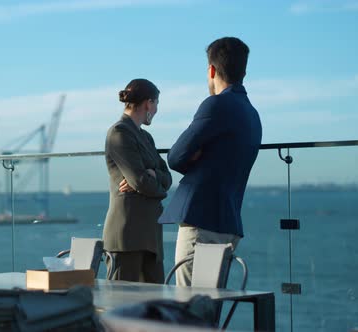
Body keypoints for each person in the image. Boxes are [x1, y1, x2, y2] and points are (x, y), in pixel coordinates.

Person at [159, 37, 262, 286]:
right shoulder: (252, 113)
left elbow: (175, 156)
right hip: (228, 221)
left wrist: (195, 156)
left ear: (212, 69)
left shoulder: (216, 105)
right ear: (244, 71)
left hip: (202, 222)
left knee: (190, 306)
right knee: (209, 305)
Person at [103, 78, 172, 283]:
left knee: (153, 308)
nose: (157, 109)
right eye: (157, 103)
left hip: (150, 236)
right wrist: (150, 180)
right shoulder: (119, 133)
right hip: (127, 236)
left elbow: (166, 177)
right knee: (121, 306)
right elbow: (140, 181)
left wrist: (153, 176)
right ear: (148, 103)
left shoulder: (146, 137)